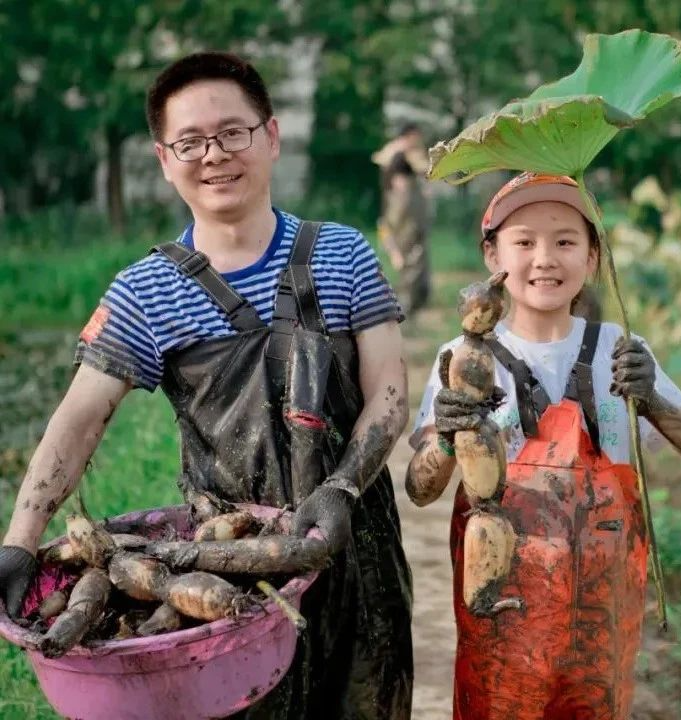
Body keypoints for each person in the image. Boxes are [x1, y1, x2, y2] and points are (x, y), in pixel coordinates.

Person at [0, 52, 413, 719]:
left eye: (232, 132)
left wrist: (339, 487)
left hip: (354, 540)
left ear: (270, 136)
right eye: (190, 141)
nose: (213, 154)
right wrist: (21, 541)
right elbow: (77, 420)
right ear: (165, 159)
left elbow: (390, 390)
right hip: (228, 564)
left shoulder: (343, 253)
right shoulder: (145, 292)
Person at [405, 172, 681, 720]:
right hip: (502, 600)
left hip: (601, 608)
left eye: (566, 242)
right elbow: (420, 487)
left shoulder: (621, 353)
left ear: (593, 258)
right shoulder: (464, 357)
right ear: (492, 257)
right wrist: (451, 436)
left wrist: (652, 399)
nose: (544, 258)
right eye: (524, 242)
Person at [372, 123, 431, 315]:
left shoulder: (415, 156)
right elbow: (385, 227)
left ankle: (415, 300)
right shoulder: (395, 152)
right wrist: (394, 252)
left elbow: (426, 170)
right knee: (401, 266)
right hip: (397, 225)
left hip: (412, 222)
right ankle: (400, 303)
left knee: (414, 262)